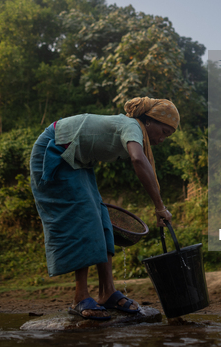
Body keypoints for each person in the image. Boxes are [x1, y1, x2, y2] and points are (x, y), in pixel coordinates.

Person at [30, 97, 179, 320]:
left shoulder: (134, 130)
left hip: (78, 161)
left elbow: (142, 163)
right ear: (149, 122)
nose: (162, 139)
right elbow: (138, 160)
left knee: (102, 220)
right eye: (164, 131)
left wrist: (159, 206)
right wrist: (160, 207)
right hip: (56, 152)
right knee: (85, 219)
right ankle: (80, 297)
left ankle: (107, 292)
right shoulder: (131, 126)